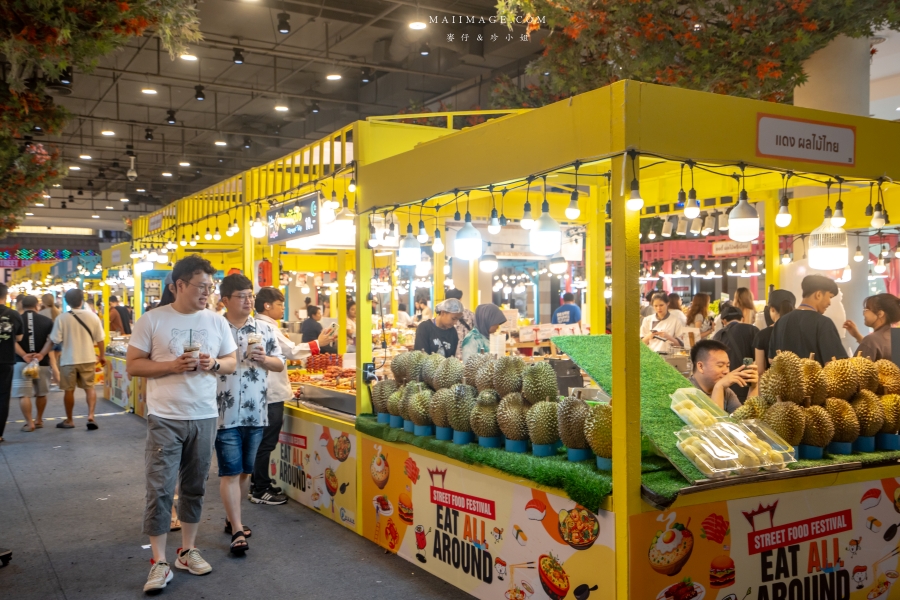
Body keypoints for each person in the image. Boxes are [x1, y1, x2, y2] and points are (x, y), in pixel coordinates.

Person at [127, 255, 238, 592]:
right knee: (159, 488)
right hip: (165, 416)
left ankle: (187, 550)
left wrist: (214, 364)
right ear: (177, 285)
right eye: (200, 286)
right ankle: (158, 561)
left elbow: (232, 362)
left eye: (210, 286)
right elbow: (133, 365)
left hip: (204, 415)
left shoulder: (216, 322)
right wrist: (171, 366)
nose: (207, 292)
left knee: (195, 486)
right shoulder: (152, 320)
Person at [215, 275, 285, 555]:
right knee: (230, 472)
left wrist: (264, 359)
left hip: (257, 409)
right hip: (224, 410)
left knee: (245, 471)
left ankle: (232, 517)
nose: (248, 301)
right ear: (225, 300)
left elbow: (279, 362)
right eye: (241, 296)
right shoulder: (215, 327)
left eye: (250, 296)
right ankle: (236, 529)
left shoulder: (265, 328)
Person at [253, 287, 335, 504]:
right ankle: (259, 489)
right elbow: (290, 351)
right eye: (280, 304)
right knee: (266, 442)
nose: (283, 308)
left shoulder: (264, 325)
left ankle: (259, 482)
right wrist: (318, 344)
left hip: (268, 391)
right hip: (270, 393)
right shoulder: (266, 327)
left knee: (263, 441)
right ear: (267, 306)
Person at [49, 288, 105, 430]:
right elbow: (100, 339)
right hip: (88, 358)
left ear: (67, 301)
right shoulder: (93, 317)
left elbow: (54, 339)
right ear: (82, 300)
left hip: (68, 359)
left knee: (69, 390)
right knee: (90, 387)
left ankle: (69, 420)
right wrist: (102, 356)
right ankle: (91, 415)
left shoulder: (62, 318)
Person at [770, 275, 848, 366]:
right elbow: (836, 364)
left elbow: (771, 359)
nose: (829, 303)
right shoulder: (823, 323)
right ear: (818, 294)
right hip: (816, 380)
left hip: (783, 380)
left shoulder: (781, 322)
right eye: (830, 297)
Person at [14, 295, 55, 432]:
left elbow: (12, 341)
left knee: (24, 394)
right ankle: (38, 419)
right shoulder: (47, 321)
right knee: (41, 393)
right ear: (37, 305)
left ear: (21, 305)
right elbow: (51, 340)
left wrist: (24, 355)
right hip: (41, 362)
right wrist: (41, 354)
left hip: (21, 362)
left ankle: (29, 422)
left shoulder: (16, 320)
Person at [689, 339, 759, 413]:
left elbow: (745, 420)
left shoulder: (727, 392)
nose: (726, 371)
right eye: (720, 365)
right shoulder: (685, 390)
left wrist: (753, 387)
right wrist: (718, 387)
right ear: (700, 367)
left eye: (727, 365)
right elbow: (715, 423)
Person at [712, 306, 759, 402]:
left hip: (726, 389)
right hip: (749, 387)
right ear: (742, 318)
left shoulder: (718, 336)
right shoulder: (753, 330)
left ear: (723, 321)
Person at [844, 293, 900, 361]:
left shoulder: (871, 340)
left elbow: (856, 369)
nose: (864, 314)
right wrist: (857, 335)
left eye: (866, 310)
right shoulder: (896, 336)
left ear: (880, 314)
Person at [0, 284, 23, 442]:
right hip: (5, 359)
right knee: (2, 397)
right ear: (6, 296)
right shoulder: (13, 314)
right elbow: (19, 338)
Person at [753, 290, 796, 375]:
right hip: (798, 384)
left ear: (772, 309)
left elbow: (760, 370)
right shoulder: (798, 332)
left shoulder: (762, 335)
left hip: (772, 385)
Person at [444, 288, 474, 359]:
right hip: (467, 355)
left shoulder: (444, 315)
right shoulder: (469, 314)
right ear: (460, 299)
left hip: (451, 357)